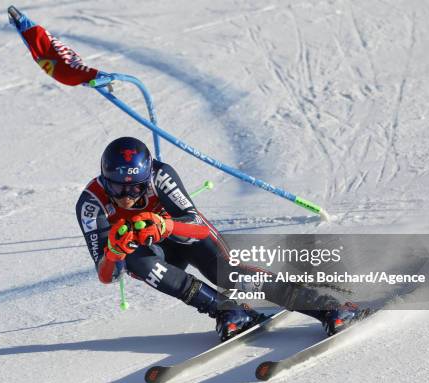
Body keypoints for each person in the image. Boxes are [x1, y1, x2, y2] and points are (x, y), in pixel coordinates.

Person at [76, 136, 367, 341]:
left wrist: (164, 225)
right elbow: (108, 276)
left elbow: (198, 226)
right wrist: (114, 250)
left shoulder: (160, 176)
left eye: (136, 190)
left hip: (180, 233)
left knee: (229, 275)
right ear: (104, 180)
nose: (127, 197)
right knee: (137, 262)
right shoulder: (91, 204)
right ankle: (227, 311)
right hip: (153, 251)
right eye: (117, 188)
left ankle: (327, 304)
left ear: (146, 180)